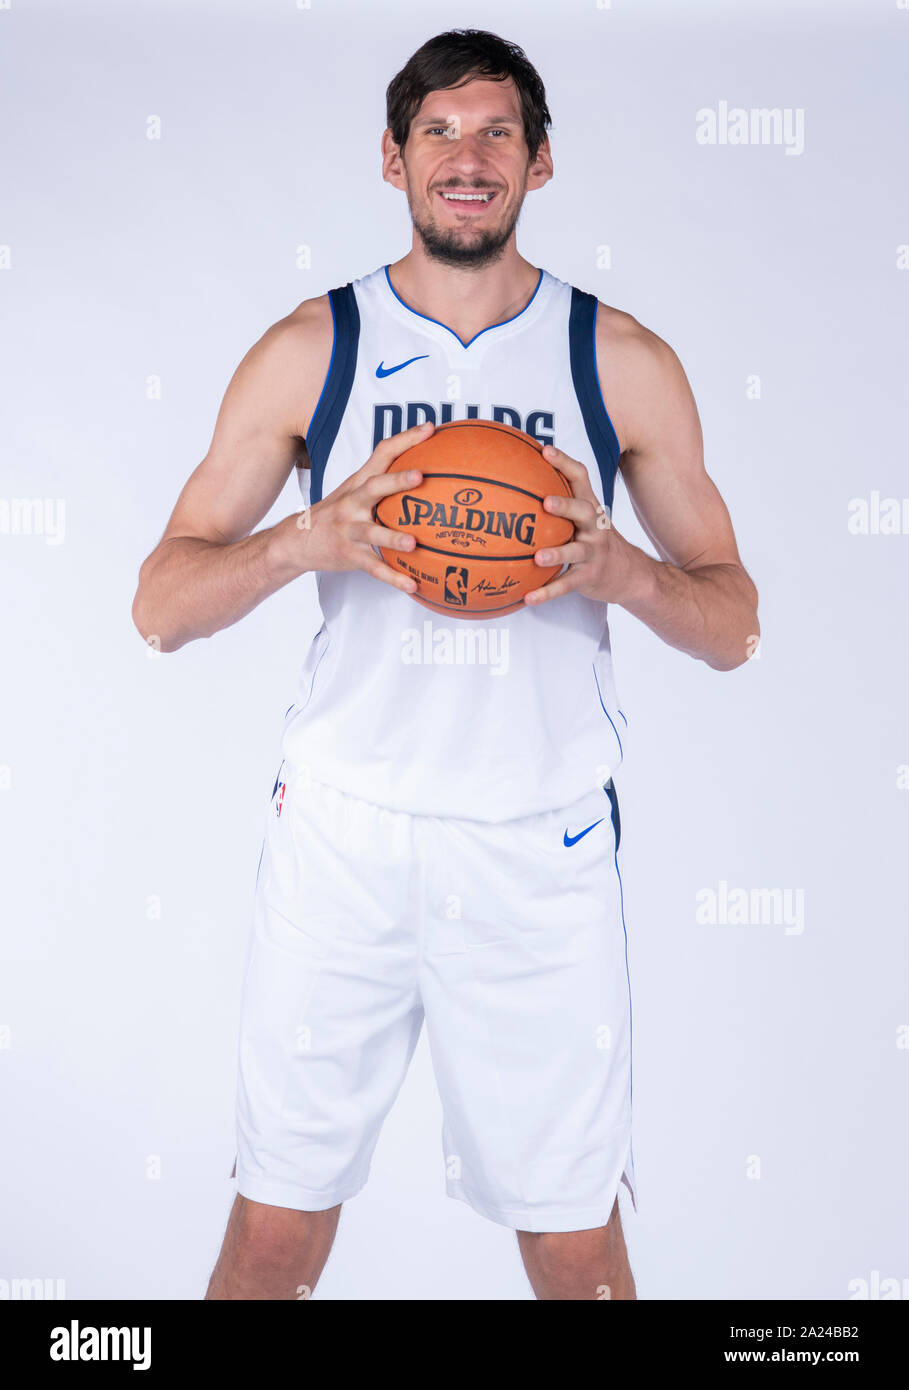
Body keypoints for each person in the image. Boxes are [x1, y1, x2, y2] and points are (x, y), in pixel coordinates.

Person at [132, 28, 759, 1301]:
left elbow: (736, 624)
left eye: (495, 135)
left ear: (538, 163)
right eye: (438, 133)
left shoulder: (617, 359)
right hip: (344, 840)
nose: (466, 159)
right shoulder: (315, 349)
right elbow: (160, 604)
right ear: (391, 157)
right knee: (272, 1235)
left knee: (576, 1249)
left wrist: (619, 571)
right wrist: (311, 535)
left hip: (539, 849)